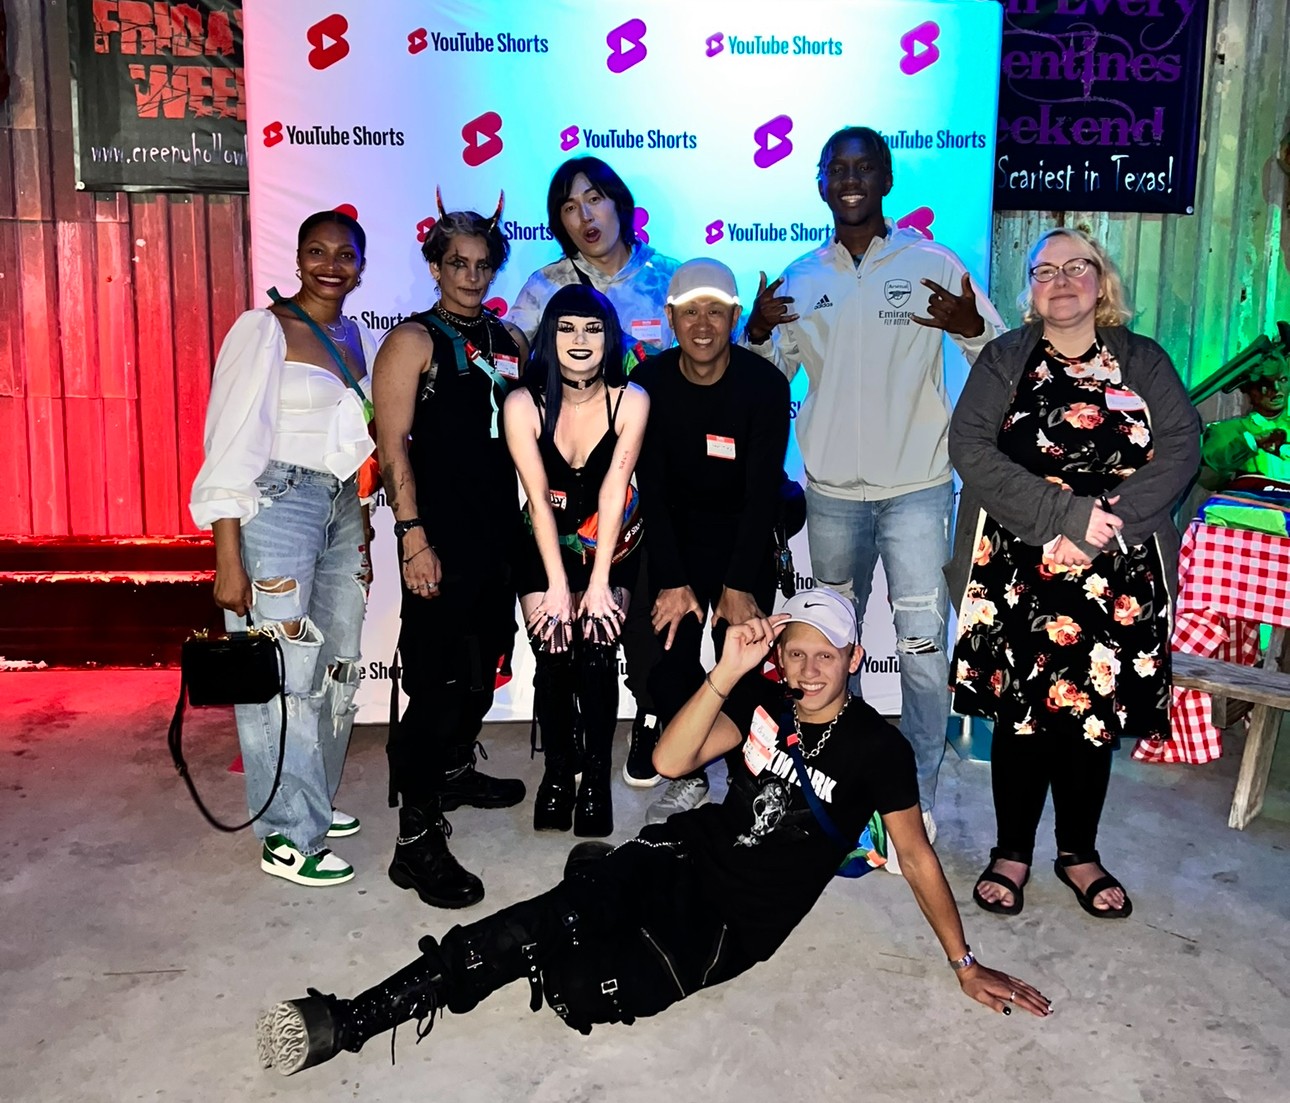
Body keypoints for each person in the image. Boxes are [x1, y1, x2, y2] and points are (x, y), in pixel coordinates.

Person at [254, 589, 1052, 1078]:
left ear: (855, 655)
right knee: (529, 926)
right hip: (683, 852)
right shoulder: (764, 700)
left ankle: (590, 883)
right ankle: (352, 1019)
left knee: (582, 988)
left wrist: (964, 962)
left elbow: (913, 855)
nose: (808, 670)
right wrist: (729, 672)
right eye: (795, 653)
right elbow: (671, 758)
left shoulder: (879, 750)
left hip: (731, 923)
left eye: (825, 656)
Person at [744, 125, 1005, 867]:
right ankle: (836, 786)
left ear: (886, 179)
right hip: (831, 493)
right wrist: (757, 331)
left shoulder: (932, 263)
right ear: (822, 184)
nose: (852, 179)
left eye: (865, 167)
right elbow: (764, 380)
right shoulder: (800, 277)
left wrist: (972, 327)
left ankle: (912, 797)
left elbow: (1000, 352)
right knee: (827, 650)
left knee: (922, 649)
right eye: (838, 169)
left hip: (918, 488)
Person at [946, 228, 1199, 919]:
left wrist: (1104, 523)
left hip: (1117, 565)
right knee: (1022, 715)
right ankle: (1012, 851)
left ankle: (1078, 853)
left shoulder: (1142, 359)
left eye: (1075, 267)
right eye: (1044, 271)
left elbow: (1182, 447)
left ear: (1100, 279)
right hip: (1020, 563)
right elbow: (969, 446)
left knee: (1092, 717)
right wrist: (1065, 516)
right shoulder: (1005, 358)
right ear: (1030, 290)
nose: (1060, 280)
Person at [189, 210, 376, 886]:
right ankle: (287, 834)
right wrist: (227, 556)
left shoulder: (353, 335)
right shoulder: (263, 329)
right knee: (280, 672)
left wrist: (362, 519)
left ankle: (311, 794)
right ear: (297, 259)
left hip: (341, 505)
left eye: (345, 254)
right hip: (277, 503)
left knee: (336, 662)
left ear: (361, 266)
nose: (331, 265)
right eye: (316, 251)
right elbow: (228, 442)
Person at [374, 197, 529, 910]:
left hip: (498, 538)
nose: (471, 275)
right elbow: (392, 445)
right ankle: (415, 841)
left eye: (482, 263)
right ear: (435, 266)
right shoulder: (413, 340)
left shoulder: (507, 338)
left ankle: (456, 771)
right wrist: (412, 537)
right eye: (457, 262)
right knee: (436, 685)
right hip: (437, 538)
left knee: (480, 671)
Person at [509, 157, 682, 784]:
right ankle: (567, 764)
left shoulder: (667, 278)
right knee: (572, 636)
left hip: (654, 469)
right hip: (570, 480)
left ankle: (651, 720)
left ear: (619, 203)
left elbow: (717, 352)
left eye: (594, 199)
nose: (584, 215)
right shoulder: (544, 286)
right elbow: (512, 361)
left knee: (645, 615)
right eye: (568, 206)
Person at [632, 258, 791, 822]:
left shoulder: (765, 385)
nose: (703, 325)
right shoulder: (647, 382)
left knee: (742, 650)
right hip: (672, 536)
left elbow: (762, 493)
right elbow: (650, 488)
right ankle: (689, 772)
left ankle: (748, 771)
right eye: (690, 312)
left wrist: (739, 583)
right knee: (668, 650)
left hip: (742, 537)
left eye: (716, 312)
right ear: (671, 317)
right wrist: (673, 580)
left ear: (735, 316)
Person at [504, 284, 650, 837]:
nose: (580, 339)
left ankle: (595, 780)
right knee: (554, 649)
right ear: (550, 335)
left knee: (597, 650)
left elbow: (615, 491)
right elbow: (537, 500)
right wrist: (558, 585)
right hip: (542, 545)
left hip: (611, 544)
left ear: (609, 336)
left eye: (592, 328)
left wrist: (600, 581)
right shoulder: (522, 403)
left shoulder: (630, 400)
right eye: (566, 327)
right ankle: (558, 773)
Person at [1199, 362, 1290, 487]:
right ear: (1248, 388)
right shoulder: (1226, 430)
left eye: (1283, 380)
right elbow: (1208, 479)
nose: (1276, 389)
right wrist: (1251, 443)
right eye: (1265, 383)